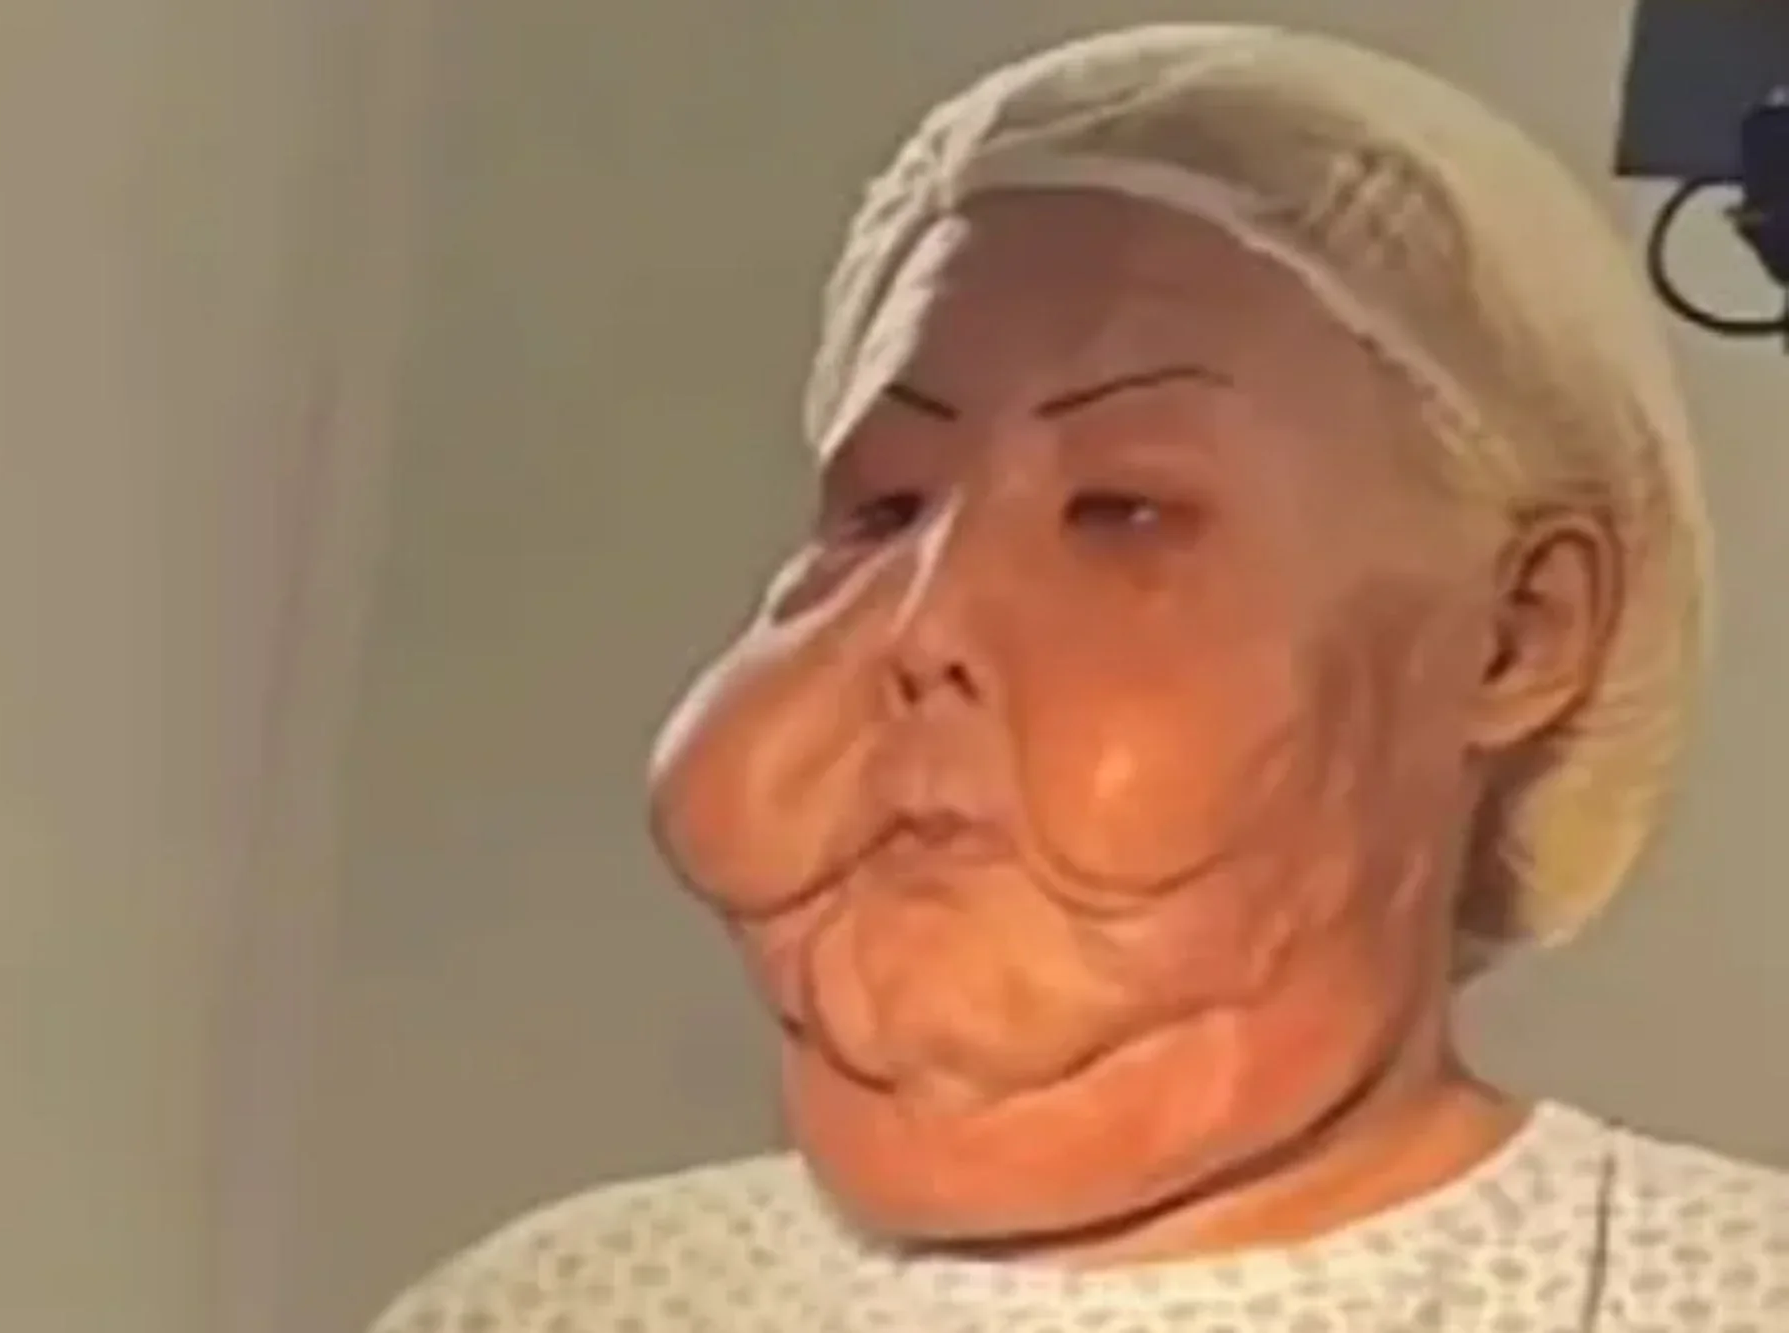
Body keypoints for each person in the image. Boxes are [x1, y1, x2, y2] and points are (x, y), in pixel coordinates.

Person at [371, 24, 1789, 1332]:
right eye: (885, 508)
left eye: (1123, 511)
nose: (925, 622)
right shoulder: (563, 1306)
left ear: (1519, 633)